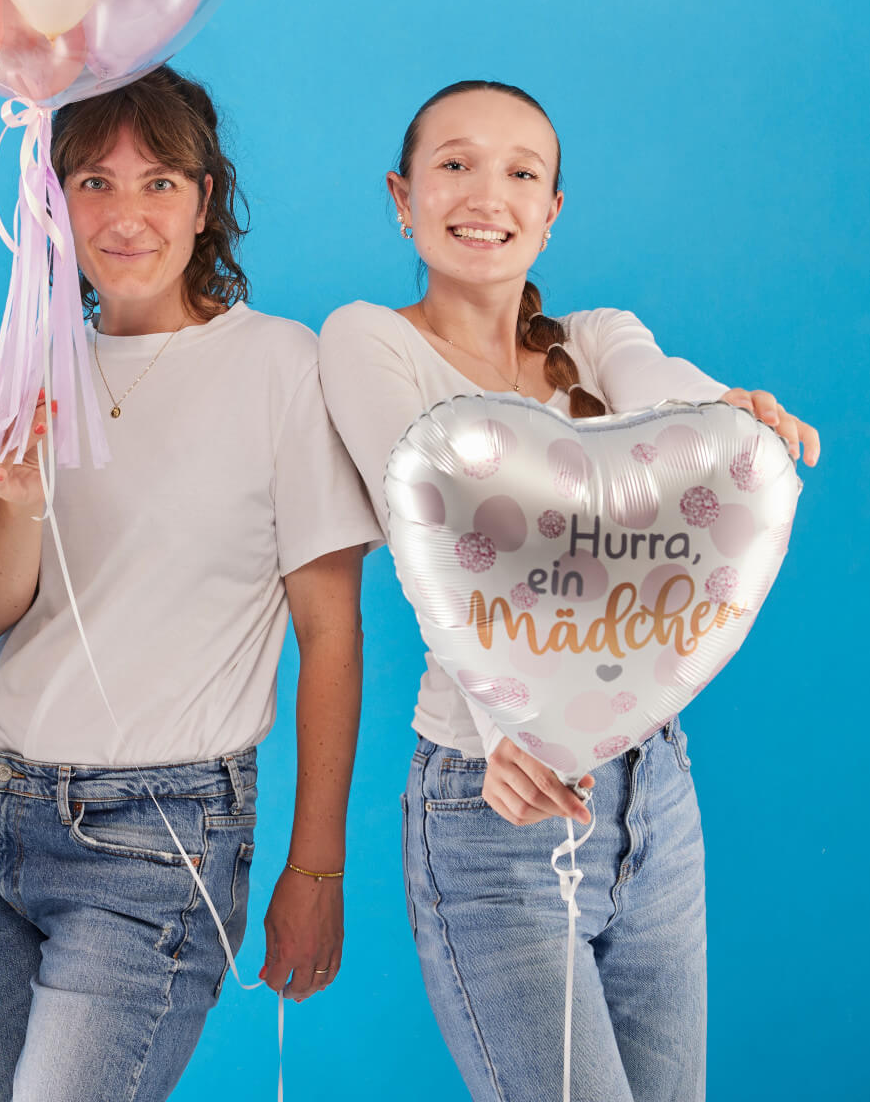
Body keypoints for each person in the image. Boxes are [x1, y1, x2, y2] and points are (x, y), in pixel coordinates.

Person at [317, 79, 819, 1102]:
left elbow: (664, 390)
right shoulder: (368, 340)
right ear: (402, 197)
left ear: (551, 212)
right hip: (492, 802)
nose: (485, 194)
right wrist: (504, 724)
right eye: (454, 164)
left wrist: (731, 415)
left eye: (520, 173)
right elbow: (430, 542)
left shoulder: (598, 337)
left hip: (655, 794)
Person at [0, 66, 379, 1101]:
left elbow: (332, 633)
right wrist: (18, 500)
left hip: (159, 836)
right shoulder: (32, 361)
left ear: (204, 200)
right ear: (52, 204)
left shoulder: (279, 365)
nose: (125, 215)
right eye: (93, 182)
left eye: (160, 183)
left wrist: (315, 865)